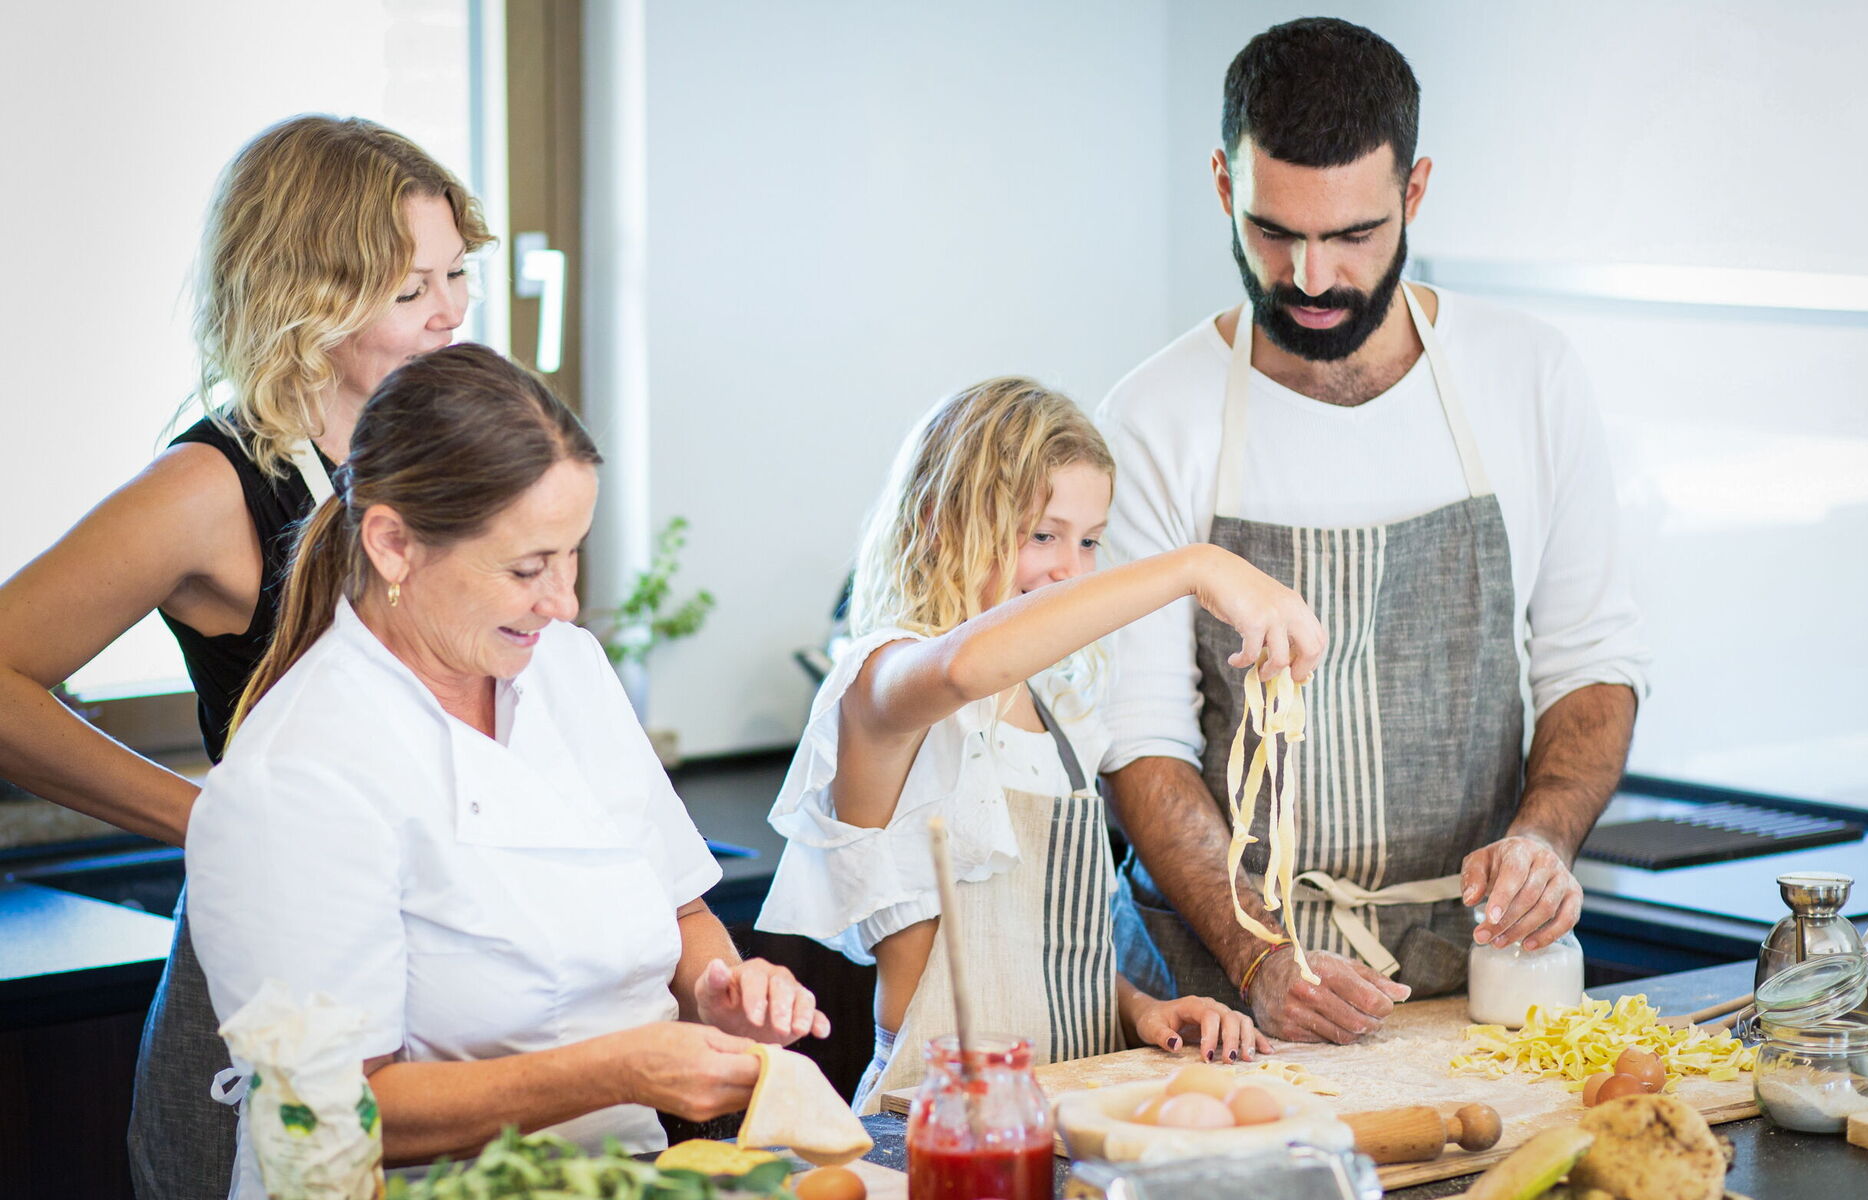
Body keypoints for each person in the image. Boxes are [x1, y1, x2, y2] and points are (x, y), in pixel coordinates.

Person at [1098, 18, 1651, 1045]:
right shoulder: (1153, 417)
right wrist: (1258, 954)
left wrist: (1543, 840)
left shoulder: (1527, 375)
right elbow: (1141, 742)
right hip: (1223, 998)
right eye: (1274, 232)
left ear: (1415, 192)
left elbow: (1590, 665)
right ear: (1223, 185)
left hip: (1482, 973)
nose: (1310, 277)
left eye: (1354, 235)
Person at [188, 344, 825, 1194]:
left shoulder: (567, 665)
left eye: (572, 555)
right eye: (528, 568)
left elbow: (680, 905)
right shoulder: (296, 774)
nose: (563, 601)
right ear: (393, 545)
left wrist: (723, 991)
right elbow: (334, 1112)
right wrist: (620, 1068)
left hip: (623, 1174)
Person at [0, 115, 490, 1198]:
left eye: (457, 274)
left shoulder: (435, 460)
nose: (451, 311)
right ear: (303, 297)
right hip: (277, 962)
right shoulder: (208, 487)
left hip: (444, 939)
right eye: (410, 289)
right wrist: (206, 817)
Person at [756, 378, 1328, 1113]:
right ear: (938, 522)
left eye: (1089, 541)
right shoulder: (884, 683)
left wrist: (1138, 1008)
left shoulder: (1061, 716)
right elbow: (966, 667)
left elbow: (1037, 950)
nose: (1070, 569)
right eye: (1042, 535)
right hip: (940, 1115)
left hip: (1078, 1103)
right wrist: (1198, 566)